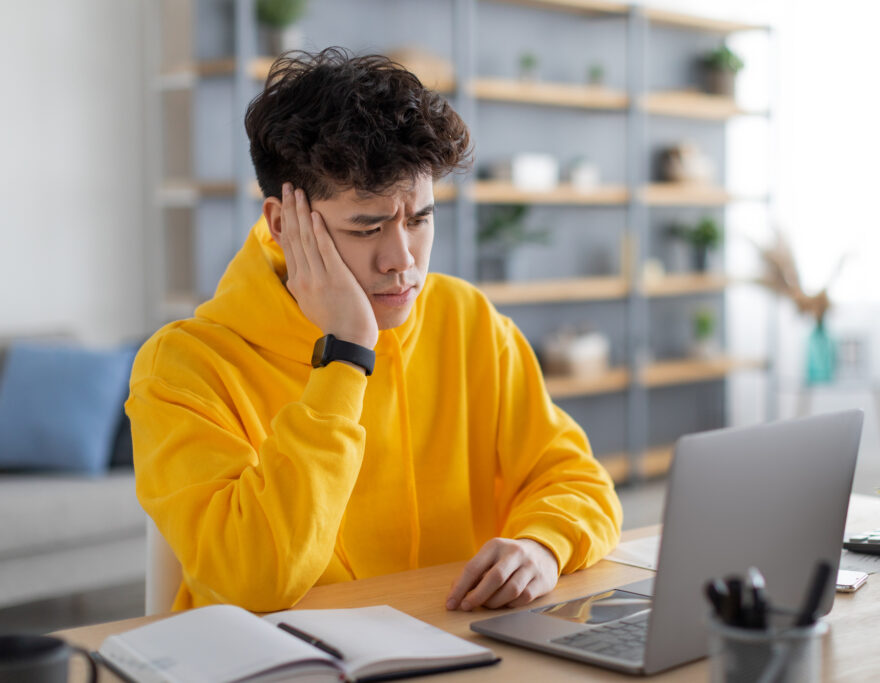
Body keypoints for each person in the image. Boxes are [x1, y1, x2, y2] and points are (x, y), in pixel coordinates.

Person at [128, 47, 622, 614]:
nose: (402, 260)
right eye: (367, 227)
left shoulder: (470, 321)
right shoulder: (182, 366)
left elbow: (581, 482)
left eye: (420, 219)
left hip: (458, 649)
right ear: (282, 224)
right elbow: (251, 580)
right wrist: (345, 353)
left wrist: (542, 545)